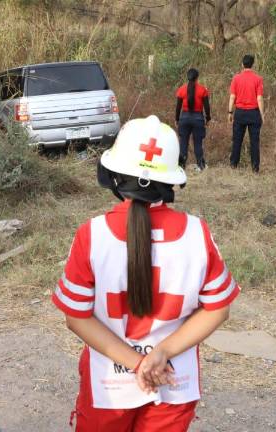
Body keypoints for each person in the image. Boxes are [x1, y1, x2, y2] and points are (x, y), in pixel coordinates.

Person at [54, 115, 239, 432]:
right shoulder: (197, 233)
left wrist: (137, 363)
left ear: (113, 176)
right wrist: (161, 353)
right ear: (172, 180)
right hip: (173, 381)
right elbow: (218, 309)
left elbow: (76, 318)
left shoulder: (92, 235)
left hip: (108, 387)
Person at [228, 54, 265, 173]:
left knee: (237, 140)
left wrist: (230, 112)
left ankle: (233, 165)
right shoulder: (258, 79)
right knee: (254, 142)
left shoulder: (236, 78)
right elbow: (259, 98)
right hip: (254, 113)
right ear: (253, 64)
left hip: (239, 113)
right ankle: (255, 168)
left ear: (242, 64)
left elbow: (232, 97)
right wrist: (262, 114)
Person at [175, 69, 211, 171]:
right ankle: (201, 165)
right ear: (197, 78)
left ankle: (181, 167)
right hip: (198, 119)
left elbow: (178, 107)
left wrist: (177, 119)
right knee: (198, 143)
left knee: (183, 143)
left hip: (184, 118)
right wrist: (208, 118)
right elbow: (207, 107)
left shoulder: (181, 89)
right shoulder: (203, 90)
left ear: (187, 77)